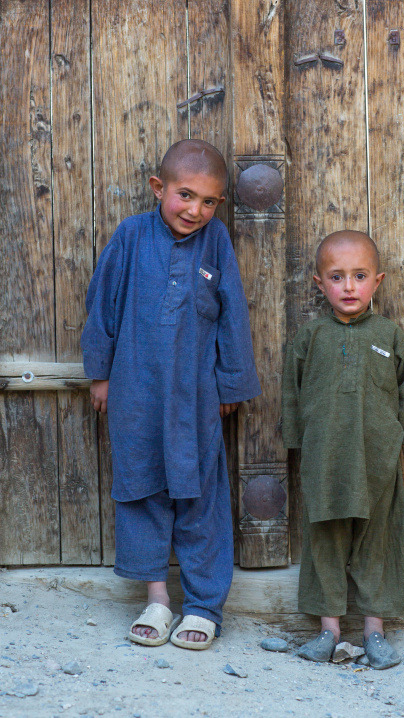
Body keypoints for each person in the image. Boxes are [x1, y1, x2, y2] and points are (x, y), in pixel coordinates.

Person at [81, 139, 260, 650]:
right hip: (135, 389)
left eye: (209, 202)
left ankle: (203, 606)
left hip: (194, 396)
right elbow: (103, 304)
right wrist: (100, 374)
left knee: (200, 495)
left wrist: (230, 381)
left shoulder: (216, 241)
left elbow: (233, 314)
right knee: (141, 490)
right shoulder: (132, 236)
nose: (195, 210)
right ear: (160, 188)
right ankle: (157, 598)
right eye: (185, 195)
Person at [282, 230, 404, 669]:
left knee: (376, 542)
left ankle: (374, 632)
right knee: (325, 541)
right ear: (318, 283)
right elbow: (292, 391)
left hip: (376, 462)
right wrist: (297, 441)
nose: (349, 287)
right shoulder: (310, 337)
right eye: (337, 276)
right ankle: (328, 631)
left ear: (377, 281)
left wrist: (397, 434)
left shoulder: (389, 334)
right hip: (324, 461)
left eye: (359, 276)